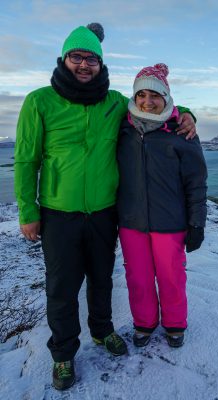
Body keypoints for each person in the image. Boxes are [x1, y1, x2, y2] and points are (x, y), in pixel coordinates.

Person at [14, 23, 196, 391]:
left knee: (101, 279)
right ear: (64, 59)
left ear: (100, 64)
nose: (84, 64)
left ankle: (102, 330)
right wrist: (27, 211)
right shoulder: (39, 101)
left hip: (103, 211)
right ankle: (63, 353)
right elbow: (25, 160)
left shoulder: (114, 102)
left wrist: (188, 113)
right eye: (76, 57)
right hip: (58, 212)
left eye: (91, 59)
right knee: (62, 287)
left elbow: (152, 107)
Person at [117, 63, 207, 349]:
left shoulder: (181, 133)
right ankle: (144, 323)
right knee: (138, 277)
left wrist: (197, 222)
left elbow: (196, 183)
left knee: (171, 277)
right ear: (134, 97)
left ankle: (175, 324)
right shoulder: (122, 127)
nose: (147, 101)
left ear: (166, 98)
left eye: (155, 95)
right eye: (141, 94)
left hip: (170, 222)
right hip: (131, 221)